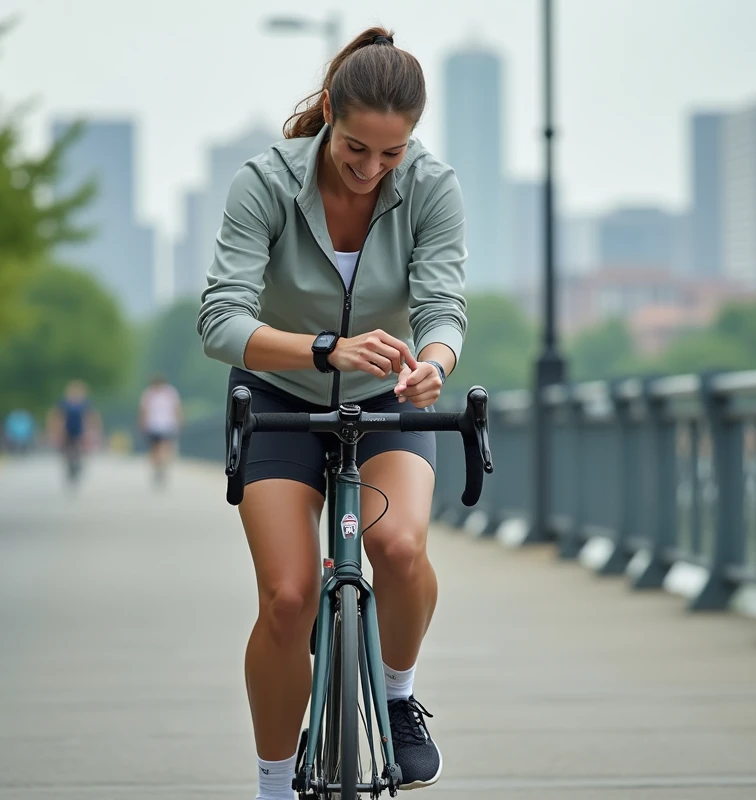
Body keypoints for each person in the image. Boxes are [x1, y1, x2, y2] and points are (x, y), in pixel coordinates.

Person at [197, 27, 466, 799]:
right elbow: (221, 323)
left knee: (401, 547)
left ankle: (398, 694)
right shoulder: (266, 182)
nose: (372, 170)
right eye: (356, 149)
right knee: (287, 597)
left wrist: (434, 366)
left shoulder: (434, 187)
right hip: (280, 393)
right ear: (328, 114)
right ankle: (275, 784)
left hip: (386, 395)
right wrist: (324, 349)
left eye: (392, 154)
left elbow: (444, 308)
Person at [47, 381, 101, 480]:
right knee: (66, 448)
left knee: (81, 447)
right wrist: (55, 431)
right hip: (66, 429)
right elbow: (56, 416)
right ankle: (69, 464)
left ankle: (78, 463)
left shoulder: (85, 404)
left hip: (80, 429)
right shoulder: (64, 403)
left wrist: (93, 430)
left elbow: (92, 416)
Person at [138, 374, 183, 482]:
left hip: (162, 424)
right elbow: (144, 410)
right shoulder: (153, 393)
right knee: (159, 447)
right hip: (158, 424)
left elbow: (144, 410)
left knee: (160, 447)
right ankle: (160, 464)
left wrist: (142, 422)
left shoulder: (153, 393)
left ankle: (160, 464)